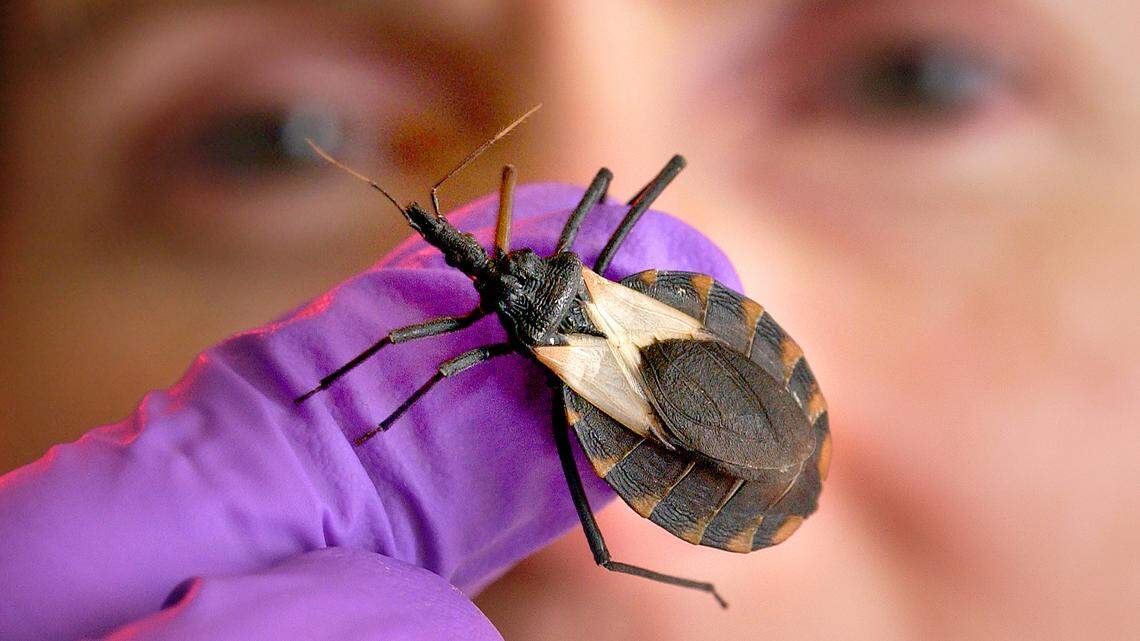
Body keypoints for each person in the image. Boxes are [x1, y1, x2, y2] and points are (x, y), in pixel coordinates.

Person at [3, 1, 1137, 639]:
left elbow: (422, 362)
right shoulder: (527, 290)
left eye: (915, 80)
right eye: (273, 133)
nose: (598, 560)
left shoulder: (513, 315)